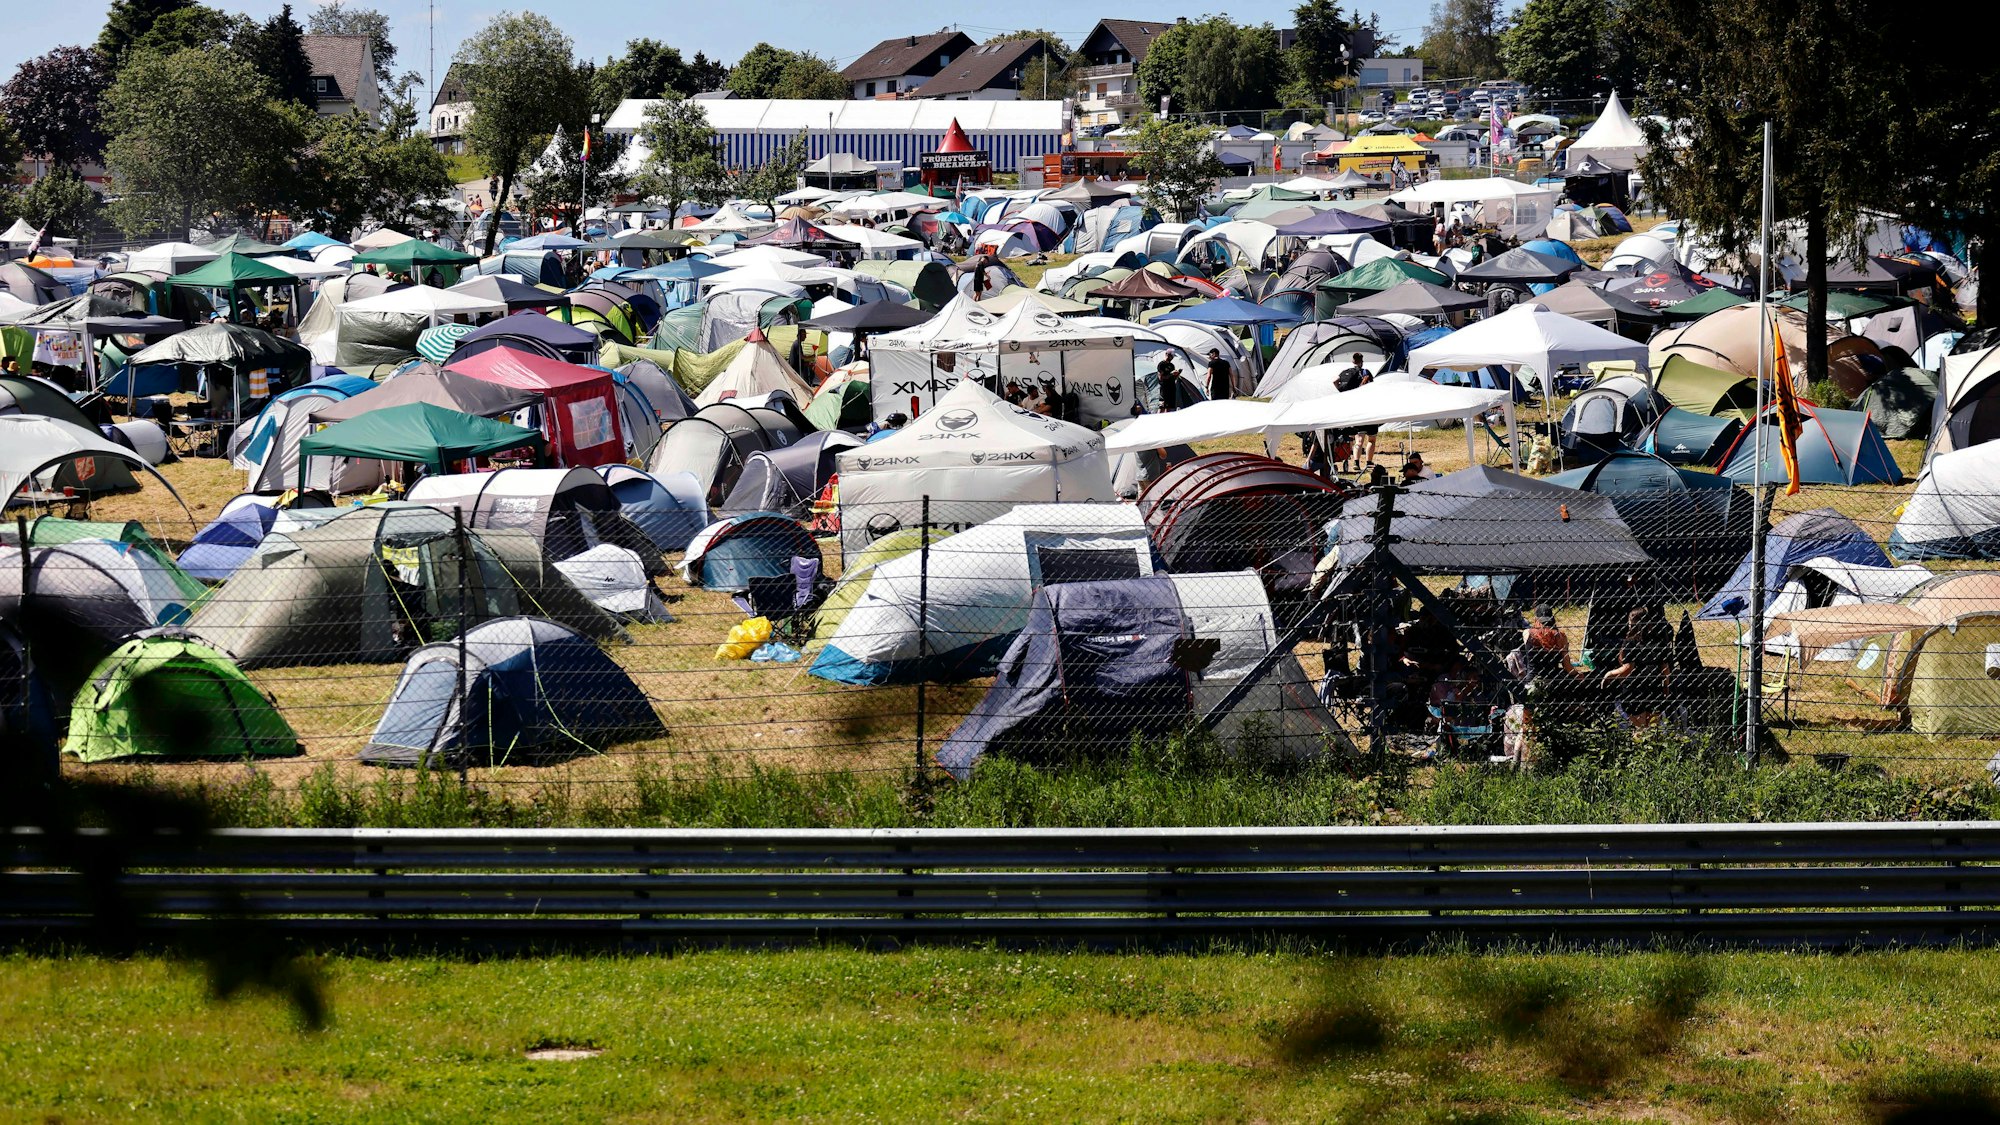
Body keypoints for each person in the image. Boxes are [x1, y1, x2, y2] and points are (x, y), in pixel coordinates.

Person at [1601, 607, 1674, 728]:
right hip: (1654, 689)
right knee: (1653, 729)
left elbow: (1628, 668)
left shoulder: (1630, 642)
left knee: (1640, 729)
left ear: (1632, 621)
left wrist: (1610, 674)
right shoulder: (1658, 641)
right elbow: (1665, 668)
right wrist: (1666, 687)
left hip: (1634, 691)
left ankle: (1640, 745)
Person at [1335, 353, 1375, 471]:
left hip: (1355, 410)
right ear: (1362, 361)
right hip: (1368, 409)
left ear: (1352, 361)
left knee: (1358, 440)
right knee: (1371, 439)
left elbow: (1335, 381)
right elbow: (1371, 385)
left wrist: (1343, 393)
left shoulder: (1345, 372)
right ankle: (1369, 462)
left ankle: (1356, 463)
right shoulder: (1365, 372)